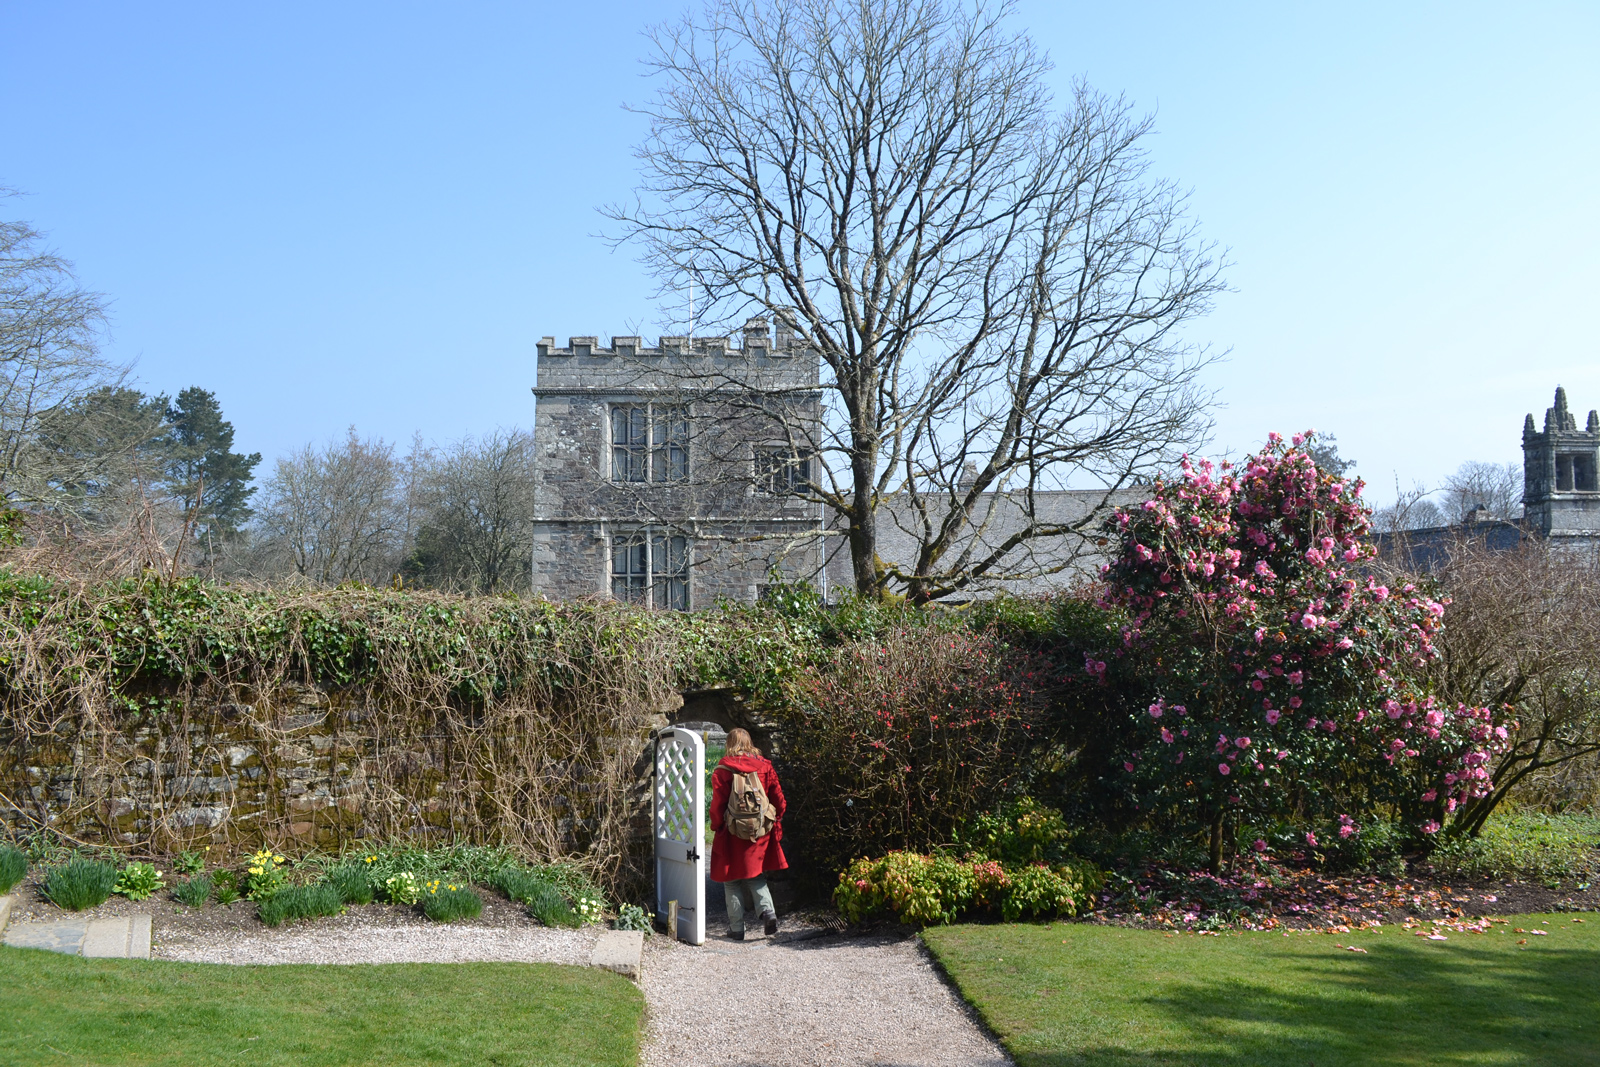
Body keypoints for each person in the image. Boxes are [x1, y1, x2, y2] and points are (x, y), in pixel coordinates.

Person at [708, 727, 787, 940]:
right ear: (749, 742)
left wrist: (716, 825)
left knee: (731, 880)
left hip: (732, 831)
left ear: (729, 743)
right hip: (759, 831)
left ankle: (736, 929)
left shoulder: (723, 770)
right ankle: (768, 911)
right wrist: (775, 817)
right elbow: (778, 797)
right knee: (755, 874)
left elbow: (717, 805)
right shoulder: (765, 766)